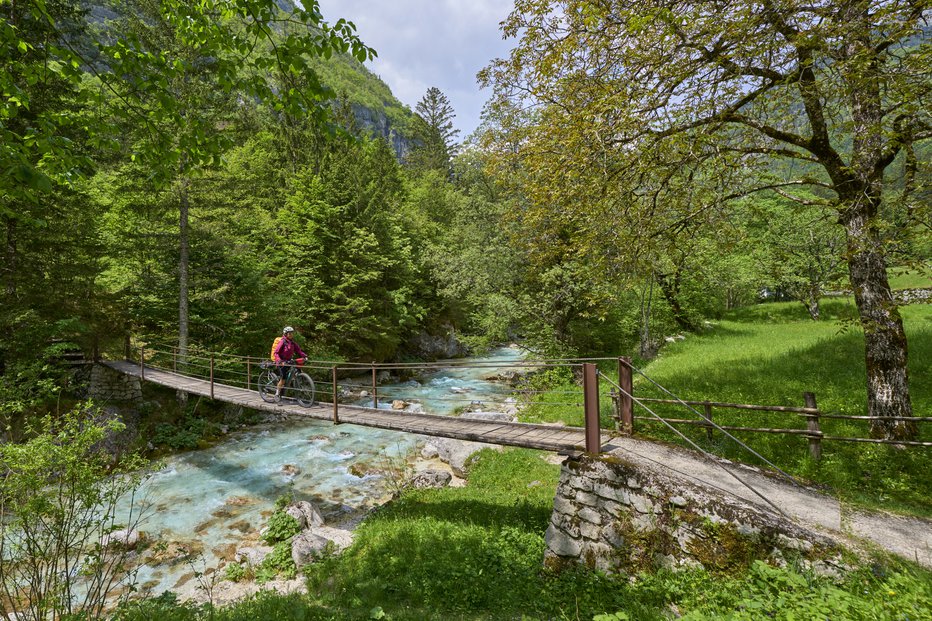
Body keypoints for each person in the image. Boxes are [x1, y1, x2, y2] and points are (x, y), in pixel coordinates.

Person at [273, 326, 306, 399]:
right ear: (285, 334)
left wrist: (305, 356)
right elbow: (276, 353)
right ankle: (277, 394)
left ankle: (294, 387)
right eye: (289, 333)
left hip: (288, 361)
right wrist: (279, 361)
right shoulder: (282, 342)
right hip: (281, 362)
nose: (291, 335)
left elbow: (299, 351)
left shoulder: (292, 343)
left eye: (292, 333)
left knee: (296, 370)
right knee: (283, 379)